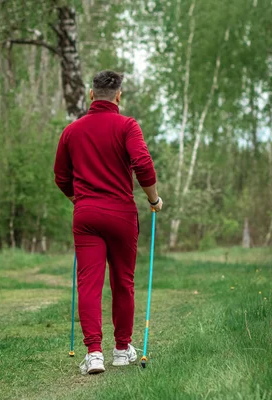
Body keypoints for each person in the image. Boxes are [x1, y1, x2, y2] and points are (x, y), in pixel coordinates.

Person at [53, 70, 163, 375]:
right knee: (122, 283)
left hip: (86, 215)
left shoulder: (72, 131)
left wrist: (78, 199)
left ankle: (94, 354)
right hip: (121, 215)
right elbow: (142, 163)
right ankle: (121, 349)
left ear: (91, 94)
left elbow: (61, 176)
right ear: (118, 96)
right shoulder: (128, 126)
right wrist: (154, 200)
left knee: (89, 283)